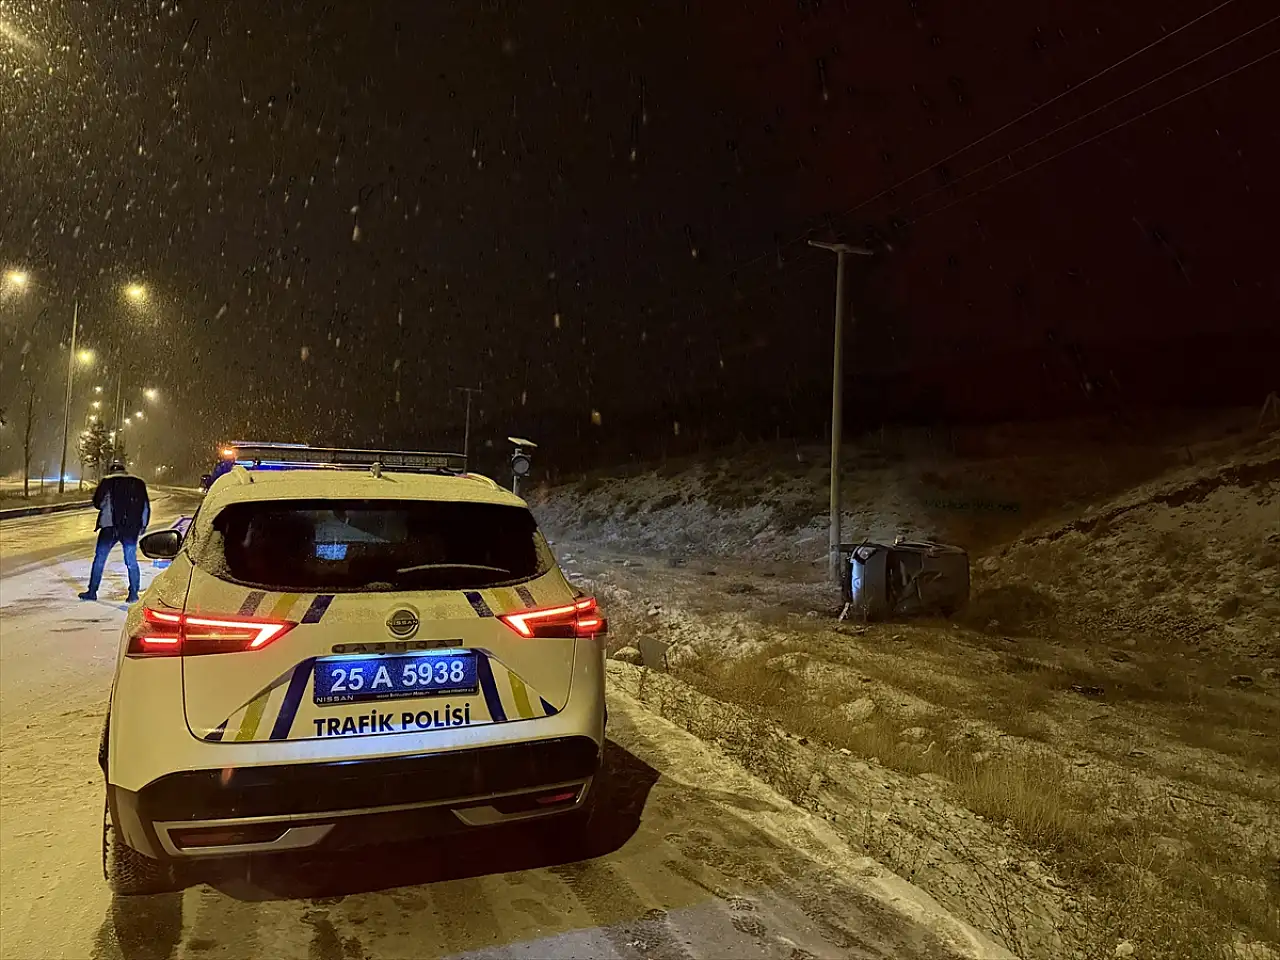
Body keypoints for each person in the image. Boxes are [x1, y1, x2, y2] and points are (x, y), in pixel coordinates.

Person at [79, 461, 151, 603]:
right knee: (131, 561)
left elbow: (97, 503)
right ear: (124, 471)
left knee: (100, 559)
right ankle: (133, 594)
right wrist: (143, 525)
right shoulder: (138, 483)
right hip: (130, 528)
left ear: (111, 471)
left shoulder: (107, 482)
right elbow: (146, 507)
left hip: (109, 526)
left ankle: (92, 591)